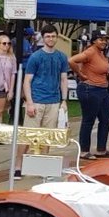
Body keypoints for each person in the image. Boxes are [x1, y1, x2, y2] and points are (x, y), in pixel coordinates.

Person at [19, 25, 70, 176]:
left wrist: (64, 100)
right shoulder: (35, 57)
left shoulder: (61, 57)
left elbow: (63, 79)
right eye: (47, 36)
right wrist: (29, 102)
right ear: (43, 37)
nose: (51, 39)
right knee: (29, 135)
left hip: (54, 101)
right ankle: (18, 165)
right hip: (37, 100)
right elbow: (27, 81)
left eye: (53, 36)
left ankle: (43, 165)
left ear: (57, 37)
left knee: (47, 136)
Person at [70, 31, 109, 160]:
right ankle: (84, 150)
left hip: (102, 90)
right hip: (90, 89)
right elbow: (72, 60)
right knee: (89, 120)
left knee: (106, 119)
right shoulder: (90, 51)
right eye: (101, 39)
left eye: (105, 39)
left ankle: (101, 149)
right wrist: (80, 75)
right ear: (94, 40)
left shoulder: (101, 53)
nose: (104, 42)